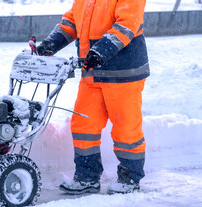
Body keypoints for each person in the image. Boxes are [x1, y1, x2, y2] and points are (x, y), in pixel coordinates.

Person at [37, 0, 150, 194]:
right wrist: (50, 43)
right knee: (83, 125)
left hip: (122, 72)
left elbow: (127, 23)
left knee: (126, 128)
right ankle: (86, 177)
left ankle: (129, 178)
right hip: (92, 71)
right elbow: (72, 21)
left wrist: (100, 51)